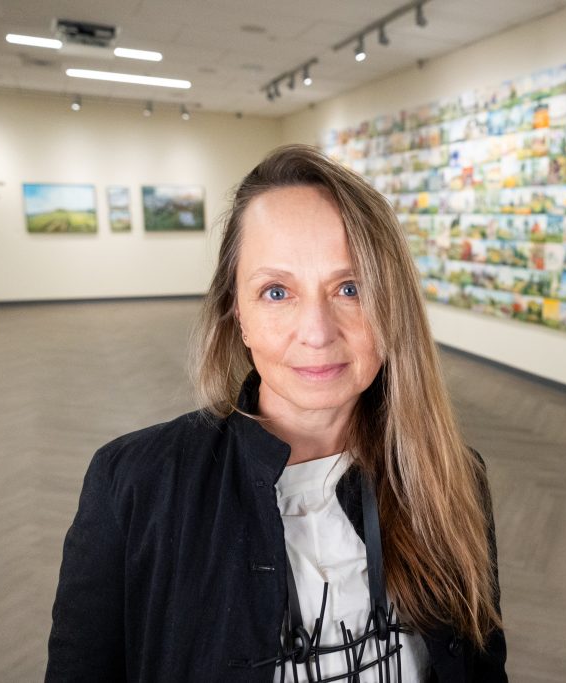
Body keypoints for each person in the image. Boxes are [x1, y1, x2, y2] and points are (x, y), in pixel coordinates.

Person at [46, 144, 507, 682]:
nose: (317, 332)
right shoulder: (135, 486)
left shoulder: (452, 477)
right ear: (235, 311)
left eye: (351, 288)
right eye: (277, 291)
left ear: (393, 304)